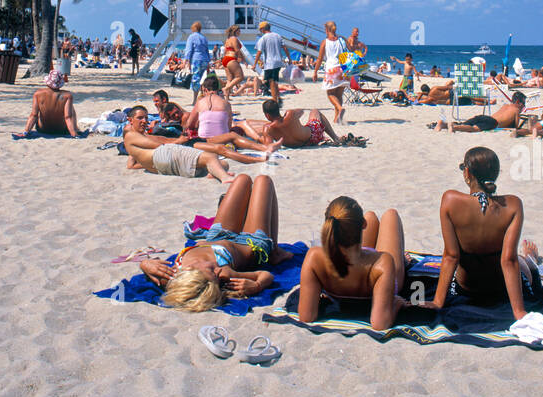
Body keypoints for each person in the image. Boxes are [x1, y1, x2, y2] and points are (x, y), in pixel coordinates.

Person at [416, 147, 541, 321]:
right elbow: (508, 260)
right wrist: (519, 311)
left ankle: (529, 258)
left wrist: (438, 301)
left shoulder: (450, 200)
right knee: (519, 260)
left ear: (467, 172)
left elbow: (451, 256)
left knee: (515, 259)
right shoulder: (513, 205)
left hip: (466, 287)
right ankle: (531, 259)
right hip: (501, 288)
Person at [137, 173, 289, 310]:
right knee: (264, 180)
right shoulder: (224, 275)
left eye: (211, 270)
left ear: (189, 271)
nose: (216, 271)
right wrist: (257, 285)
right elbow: (265, 275)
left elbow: (146, 264)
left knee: (243, 179)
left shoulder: (171, 274)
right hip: (251, 243)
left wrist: (145, 265)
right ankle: (274, 250)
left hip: (218, 236)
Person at [298, 196, 409, 332]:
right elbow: (379, 323)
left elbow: (306, 315)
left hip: (356, 271)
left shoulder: (314, 257)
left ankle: (365, 229)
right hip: (374, 274)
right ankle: (402, 260)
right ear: (363, 224)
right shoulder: (384, 262)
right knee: (390, 215)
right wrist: (397, 303)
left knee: (371, 216)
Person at [122, 109, 269, 181]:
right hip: (166, 154)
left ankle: (217, 173)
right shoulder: (130, 134)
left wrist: (150, 166)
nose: (144, 121)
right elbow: (159, 144)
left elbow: (131, 164)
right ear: (130, 120)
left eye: (145, 118)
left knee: (222, 163)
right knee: (212, 155)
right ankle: (226, 178)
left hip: (162, 163)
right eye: (140, 118)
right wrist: (177, 141)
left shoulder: (136, 138)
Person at [18, 69, 81, 138]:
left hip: (43, 129)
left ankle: (74, 130)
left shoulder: (38, 94)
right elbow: (68, 117)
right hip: (61, 130)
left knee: (38, 111)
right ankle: (75, 129)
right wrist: (74, 134)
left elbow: (34, 115)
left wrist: (26, 132)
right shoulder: (67, 96)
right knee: (71, 109)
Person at [259, 99, 343, 147]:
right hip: (312, 137)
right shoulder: (290, 114)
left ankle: (333, 138)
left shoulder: (268, 128)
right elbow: (301, 111)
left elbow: (269, 146)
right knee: (315, 111)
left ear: (267, 115)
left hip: (296, 145)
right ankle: (335, 138)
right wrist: (293, 118)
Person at [432, 92, 526, 132]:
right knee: (474, 129)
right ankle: (453, 126)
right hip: (492, 123)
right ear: (518, 102)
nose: (523, 106)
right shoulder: (516, 110)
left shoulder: (506, 106)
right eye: (523, 103)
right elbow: (516, 127)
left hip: (485, 117)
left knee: (465, 123)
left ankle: (443, 124)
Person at [313, 21, 347, 124]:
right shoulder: (342, 40)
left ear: (327, 29)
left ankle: (339, 108)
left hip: (331, 68)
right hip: (343, 68)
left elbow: (319, 59)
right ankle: (337, 118)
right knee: (339, 94)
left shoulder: (325, 42)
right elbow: (347, 53)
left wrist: (315, 71)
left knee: (330, 93)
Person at [254, 20, 290, 106]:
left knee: (272, 82)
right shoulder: (278, 36)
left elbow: (259, 52)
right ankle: (278, 98)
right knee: (274, 81)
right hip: (278, 62)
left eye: (260, 29)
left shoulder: (263, 38)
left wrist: (255, 64)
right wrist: (289, 59)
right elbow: (285, 48)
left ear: (262, 29)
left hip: (270, 63)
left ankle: (275, 101)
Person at [183, 21, 212, 103]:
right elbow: (206, 50)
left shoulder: (192, 37)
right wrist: (208, 62)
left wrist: (186, 60)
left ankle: (195, 100)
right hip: (205, 60)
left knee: (196, 80)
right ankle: (203, 97)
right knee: (203, 79)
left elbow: (189, 50)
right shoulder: (204, 38)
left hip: (196, 60)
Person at [221, 26, 248, 98]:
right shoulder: (234, 39)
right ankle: (225, 88)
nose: (240, 32)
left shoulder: (228, 39)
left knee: (229, 79)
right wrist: (241, 58)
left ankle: (227, 97)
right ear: (235, 31)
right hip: (231, 58)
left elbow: (225, 51)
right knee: (240, 77)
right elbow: (237, 50)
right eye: (239, 31)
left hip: (225, 59)